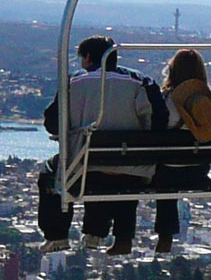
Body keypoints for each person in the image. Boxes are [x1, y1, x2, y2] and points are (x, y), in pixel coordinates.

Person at [39, 35, 167, 256]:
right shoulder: (142, 82)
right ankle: (95, 232)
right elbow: (158, 122)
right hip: (133, 167)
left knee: (52, 171)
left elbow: (53, 124)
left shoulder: (74, 82)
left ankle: (57, 235)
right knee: (113, 168)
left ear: (88, 57)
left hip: (85, 167)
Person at [152, 50, 211, 256]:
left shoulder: (163, 100)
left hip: (165, 172)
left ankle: (165, 233)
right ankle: (166, 235)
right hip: (197, 171)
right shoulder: (209, 102)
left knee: (165, 181)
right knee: (172, 172)